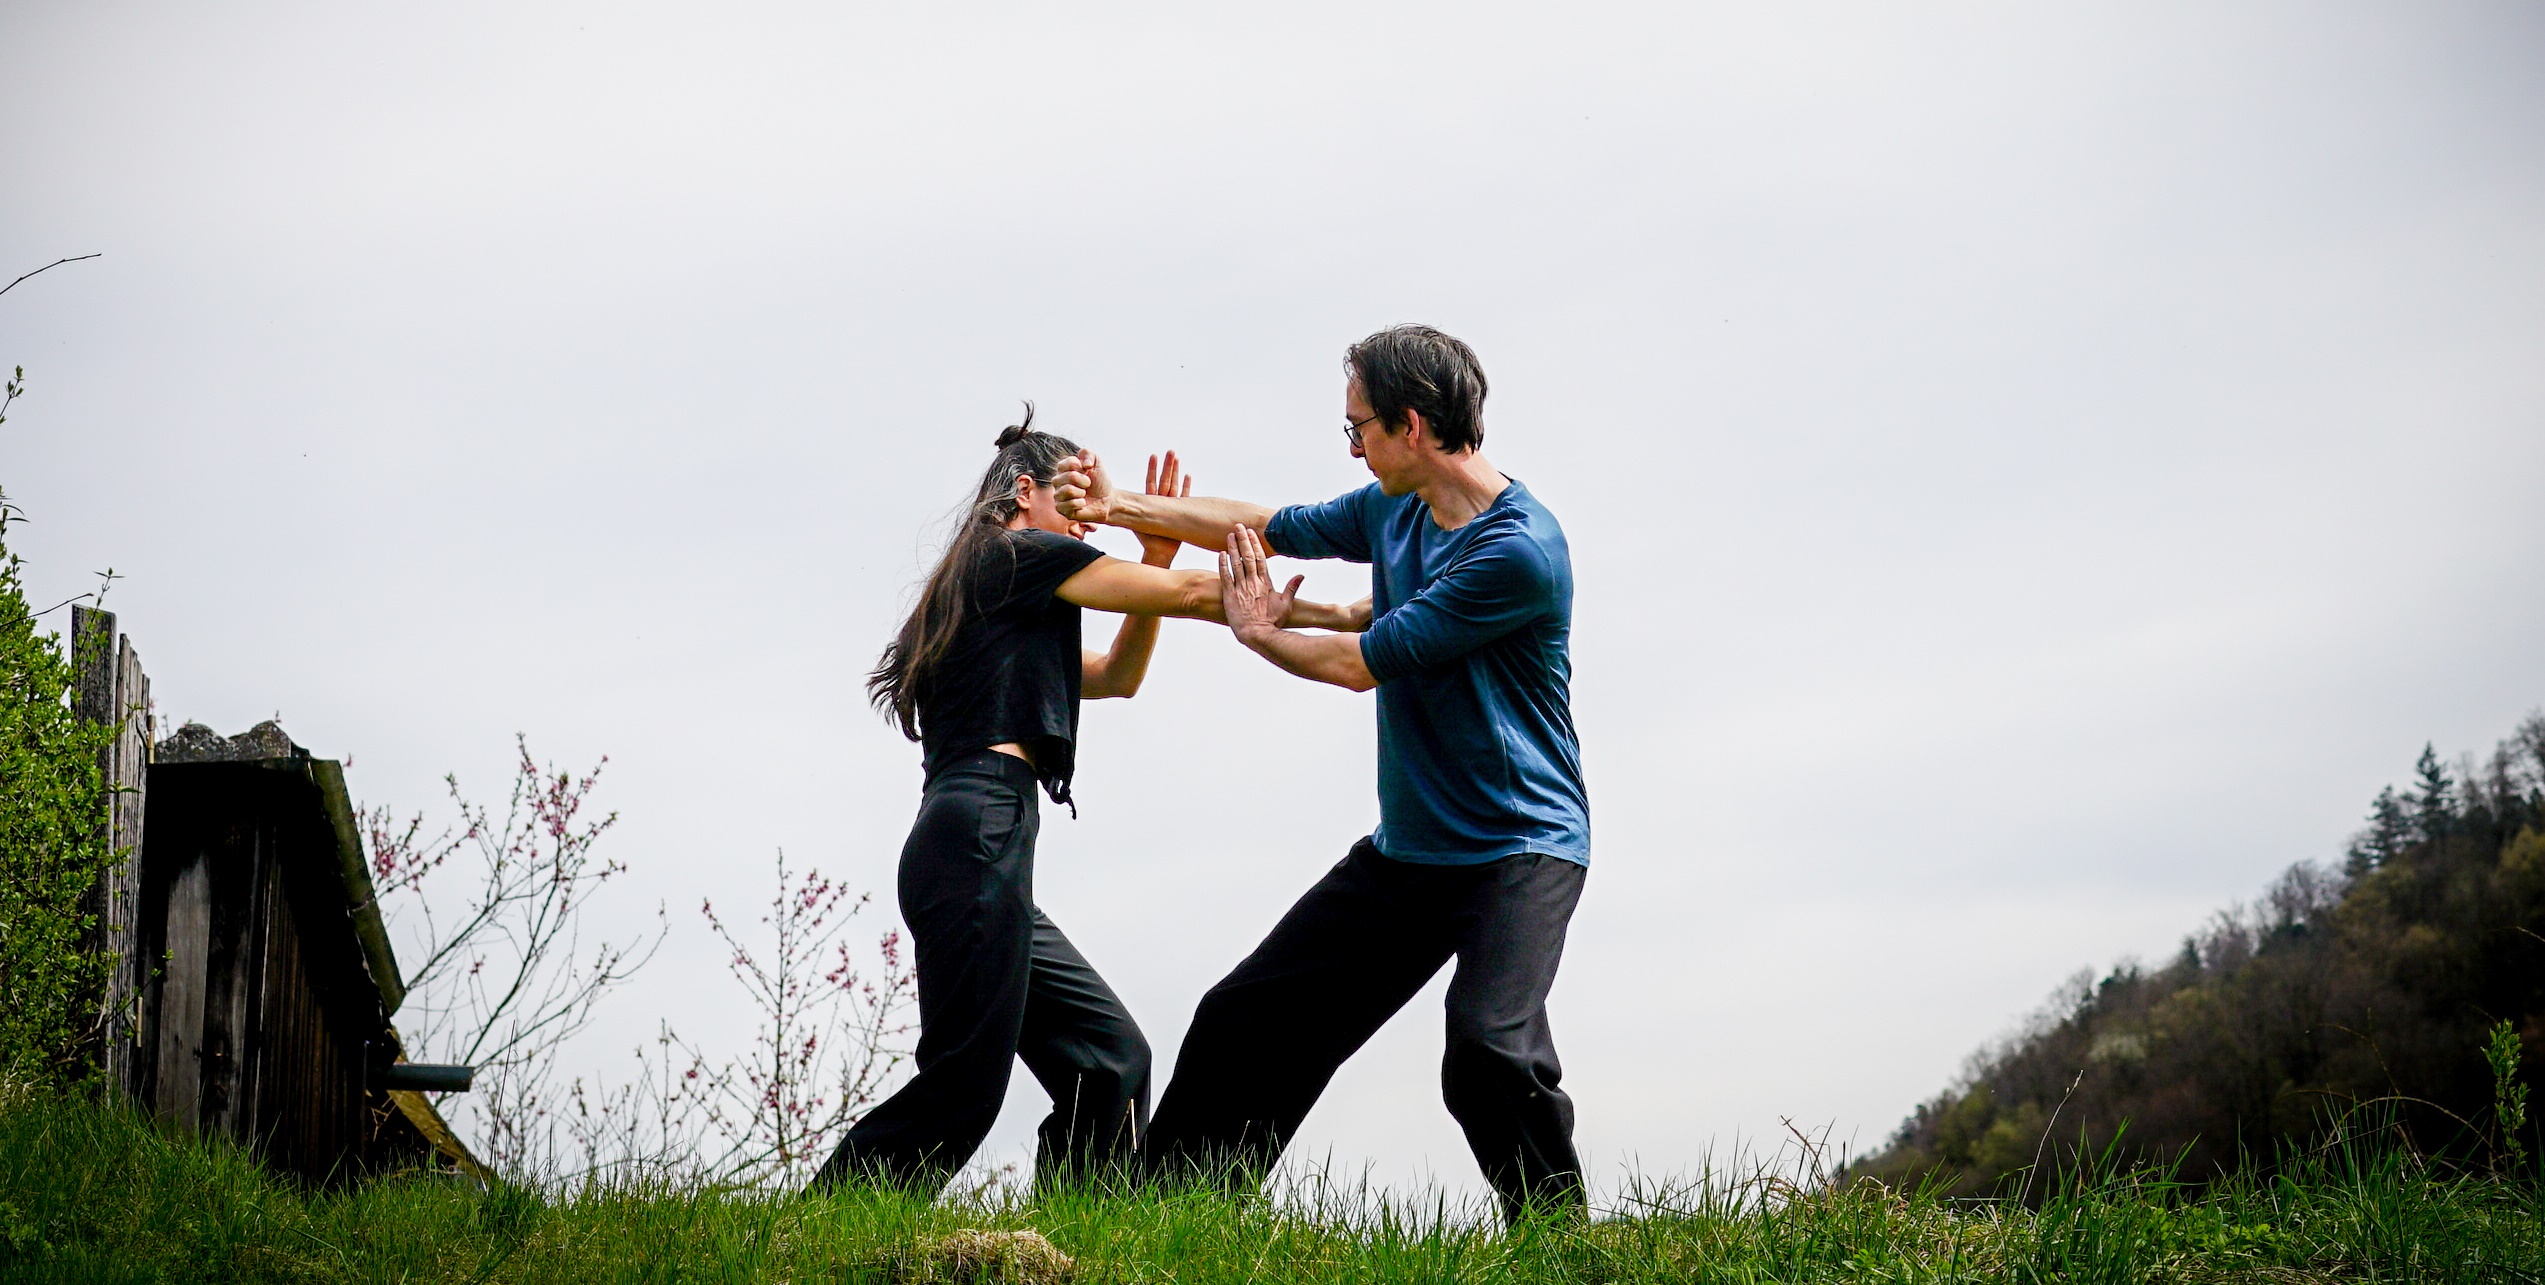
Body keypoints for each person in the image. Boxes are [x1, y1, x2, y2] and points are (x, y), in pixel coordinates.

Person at [1053, 324, 1591, 1223]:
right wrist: (1119, 506)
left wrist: (1260, 631)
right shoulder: (1396, 508)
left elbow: (1357, 664)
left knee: (1489, 1051)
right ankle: (1166, 1217)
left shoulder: (1516, 551)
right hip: (1412, 853)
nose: (1351, 445)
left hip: (1517, 847)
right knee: (1244, 1018)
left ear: (1410, 425)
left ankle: (1563, 1244)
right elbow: (1265, 524)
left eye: (1358, 428)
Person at [810, 407, 1349, 1196]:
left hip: (985, 838)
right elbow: (1201, 594)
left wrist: (1155, 545)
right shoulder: (1014, 554)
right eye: (1078, 503)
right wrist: (1348, 614)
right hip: (978, 829)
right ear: (1024, 493)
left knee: (1108, 1060)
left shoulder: (1006, 591)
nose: (1089, 518)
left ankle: (1075, 1237)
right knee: (962, 1090)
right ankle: (813, 1231)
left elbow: (1119, 676)